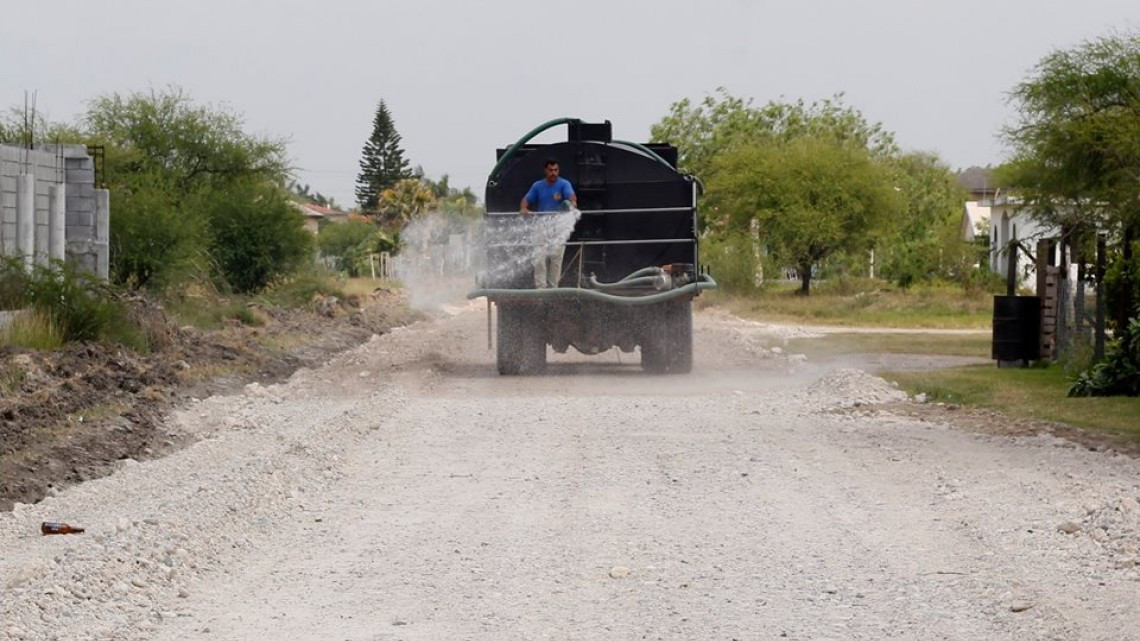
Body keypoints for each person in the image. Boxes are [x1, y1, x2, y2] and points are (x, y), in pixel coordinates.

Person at [520, 158, 577, 288]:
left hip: (559, 225)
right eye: (550, 170)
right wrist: (523, 208)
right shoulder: (538, 186)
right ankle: (541, 287)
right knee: (539, 256)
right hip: (542, 223)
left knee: (556, 257)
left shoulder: (564, 184)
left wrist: (572, 204)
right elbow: (525, 200)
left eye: (556, 170)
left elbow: (572, 197)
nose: (553, 173)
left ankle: (553, 287)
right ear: (545, 171)